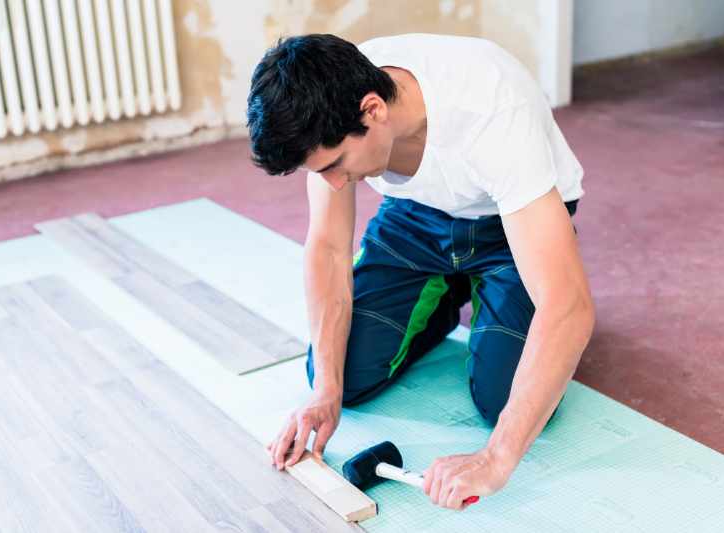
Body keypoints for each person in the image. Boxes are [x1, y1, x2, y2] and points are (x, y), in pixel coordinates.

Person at [246, 33, 595, 510]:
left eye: (334, 165)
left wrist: (496, 458)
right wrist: (325, 390)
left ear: (373, 111)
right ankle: (446, 294)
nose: (331, 182)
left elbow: (568, 307)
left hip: (507, 225)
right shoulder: (333, 98)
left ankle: (522, 272)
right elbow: (328, 248)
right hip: (417, 219)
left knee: (504, 400)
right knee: (340, 372)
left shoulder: (490, 109)